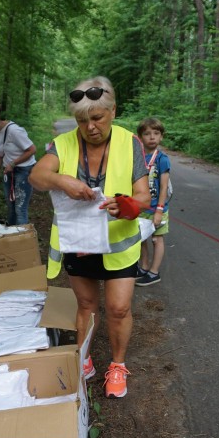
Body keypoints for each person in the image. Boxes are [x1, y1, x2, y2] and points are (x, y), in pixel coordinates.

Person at [29, 76, 150, 399]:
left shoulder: (130, 143)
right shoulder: (64, 143)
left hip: (118, 245)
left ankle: (118, 365)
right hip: (79, 242)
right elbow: (37, 176)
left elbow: (144, 197)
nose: (90, 127)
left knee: (119, 308)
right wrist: (62, 180)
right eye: (82, 120)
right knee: (86, 305)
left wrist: (125, 205)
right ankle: (84, 360)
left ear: (113, 111)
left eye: (97, 118)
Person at [0, 104, 37, 225]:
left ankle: (21, 239)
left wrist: (13, 163)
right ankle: (10, 236)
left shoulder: (14, 131)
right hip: (8, 171)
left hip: (24, 171)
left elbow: (32, 150)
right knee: (11, 206)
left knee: (20, 208)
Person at [135, 117, 170, 287]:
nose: (152, 137)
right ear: (140, 136)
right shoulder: (138, 157)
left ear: (161, 136)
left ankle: (154, 272)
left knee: (157, 239)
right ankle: (144, 266)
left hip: (158, 207)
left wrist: (159, 210)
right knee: (142, 238)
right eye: (147, 134)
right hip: (142, 206)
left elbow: (163, 187)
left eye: (156, 133)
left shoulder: (162, 159)